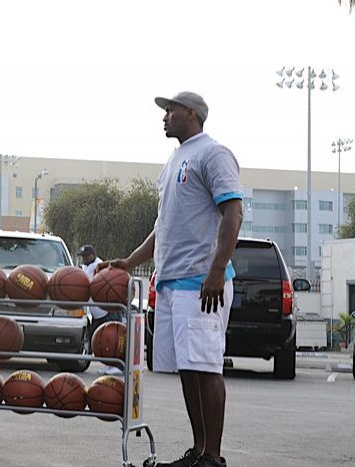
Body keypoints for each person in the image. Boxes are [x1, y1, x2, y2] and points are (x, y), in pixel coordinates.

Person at [102, 92, 243, 467]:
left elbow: (233, 214)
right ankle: (198, 451)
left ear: (192, 114)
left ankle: (213, 456)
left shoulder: (213, 153)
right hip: (171, 281)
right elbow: (163, 226)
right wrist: (131, 261)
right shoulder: (175, 159)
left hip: (201, 283)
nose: (164, 117)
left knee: (207, 367)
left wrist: (215, 271)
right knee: (188, 369)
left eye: (171, 110)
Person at [78, 244, 121, 376]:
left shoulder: (98, 265)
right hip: (97, 313)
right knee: (101, 342)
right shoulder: (86, 267)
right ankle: (108, 365)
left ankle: (118, 366)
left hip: (107, 311)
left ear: (92, 255)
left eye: (85, 256)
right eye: (82, 257)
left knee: (113, 340)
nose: (83, 259)